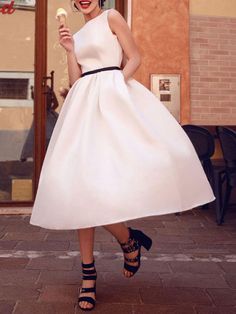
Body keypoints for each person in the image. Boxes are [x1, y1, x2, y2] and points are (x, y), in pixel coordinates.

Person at [30, 0, 216, 311]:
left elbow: (135, 58)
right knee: (80, 190)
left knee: (101, 187)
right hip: (84, 110)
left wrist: (116, 83)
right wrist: (68, 49)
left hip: (113, 102)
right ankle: (94, 270)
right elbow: (76, 81)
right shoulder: (78, 32)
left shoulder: (112, 16)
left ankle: (128, 241)